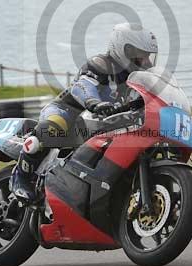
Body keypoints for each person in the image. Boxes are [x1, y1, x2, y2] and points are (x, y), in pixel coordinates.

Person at [10, 22, 158, 202]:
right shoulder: (101, 64)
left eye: (147, 57)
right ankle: (21, 178)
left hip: (102, 126)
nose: (145, 62)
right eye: (139, 56)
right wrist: (94, 102)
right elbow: (83, 86)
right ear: (121, 48)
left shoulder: (139, 79)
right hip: (68, 111)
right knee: (53, 126)